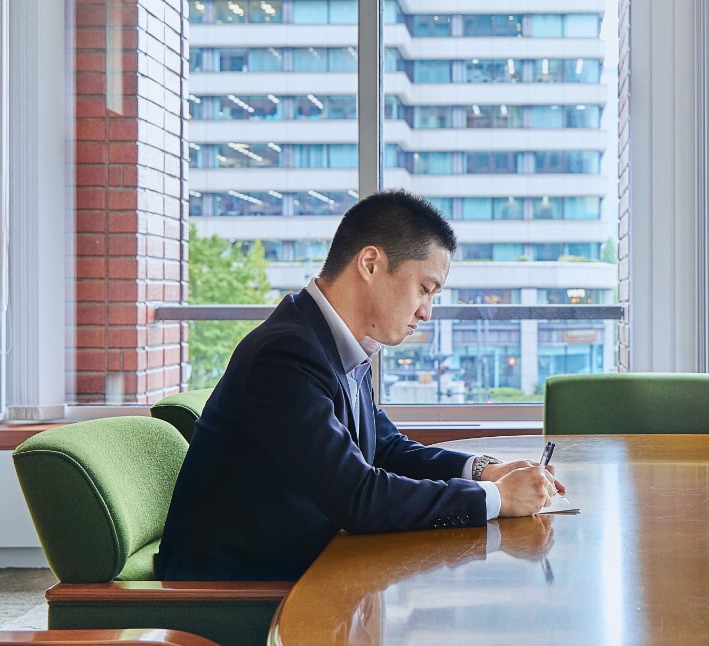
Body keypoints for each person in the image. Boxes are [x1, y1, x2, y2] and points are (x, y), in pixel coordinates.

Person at [158, 190, 564, 581]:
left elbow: (385, 449)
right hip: (238, 593)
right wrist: (496, 499)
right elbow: (357, 497)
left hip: (307, 564)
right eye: (425, 289)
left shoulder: (334, 343)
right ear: (370, 263)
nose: (426, 312)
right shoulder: (284, 354)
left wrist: (484, 471)